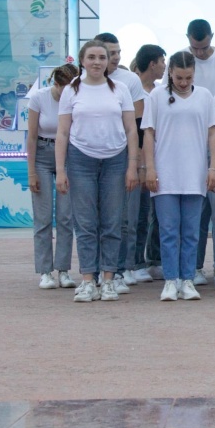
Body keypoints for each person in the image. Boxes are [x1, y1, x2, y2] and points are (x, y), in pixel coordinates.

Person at [56, 40, 139, 303]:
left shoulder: (121, 89)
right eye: (91, 57)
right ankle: (88, 280)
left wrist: (132, 166)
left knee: (113, 222)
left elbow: (131, 130)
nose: (97, 62)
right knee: (85, 223)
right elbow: (62, 132)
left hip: (116, 160)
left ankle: (109, 279)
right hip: (80, 160)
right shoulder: (72, 90)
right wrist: (60, 170)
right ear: (82, 61)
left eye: (102, 57)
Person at [143, 51, 215, 301]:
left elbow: (213, 133)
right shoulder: (157, 96)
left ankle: (187, 279)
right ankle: (170, 280)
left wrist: (213, 167)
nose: (184, 82)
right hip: (165, 173)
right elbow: (148, 133)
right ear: (170, 73)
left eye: (188, 77)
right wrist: (150, 168)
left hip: (194, 173)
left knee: (191, 231)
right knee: (168, 230)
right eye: (179, 78)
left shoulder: (205, 96)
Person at [95, 33, 146, 292]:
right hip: (92, 156)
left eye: (118, 52)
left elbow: (137, 123)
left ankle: (123, 268)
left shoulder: (129, 80)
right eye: (110, 53)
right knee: (96, 218)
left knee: (125, 217)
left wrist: (137, 160)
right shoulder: (83, 82)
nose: (115, 57)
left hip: (124, 154)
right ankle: (97, 269)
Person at [183, 19, 215, 286]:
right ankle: (194, 267)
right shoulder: (181, 60)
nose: (199, 53)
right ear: (187, 39)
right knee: (194, 212)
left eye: (203, 47)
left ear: (212, 37)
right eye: (195, 48)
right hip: (190, 145)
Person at [27, 63, 78, 290]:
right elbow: (31, 136)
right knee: (43, 217)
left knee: (66, 217)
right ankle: (45, 271)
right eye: (64, 89)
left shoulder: (76, 98)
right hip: (42, 155)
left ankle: (63, 269)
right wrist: (31, 172)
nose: (68, 93)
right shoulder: (39, 98)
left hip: (67, 155)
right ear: (56, 84)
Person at [134, 44, 167, 282]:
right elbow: (138, 130)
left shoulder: (161, 92)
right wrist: (140, 162)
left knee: (156, 213)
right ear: (152, 63)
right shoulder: (134, 90)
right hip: (139, 158)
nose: (164, 66)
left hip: (160, 158)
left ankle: (155, 259)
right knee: (138, 213)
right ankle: (135, 261)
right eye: (162, 61)